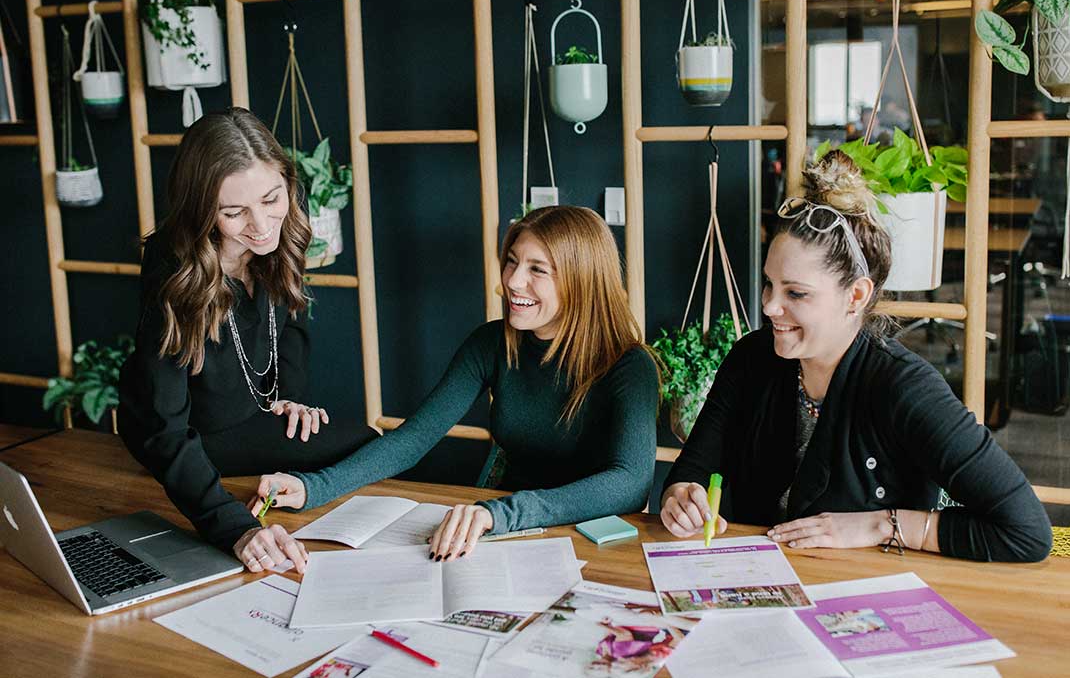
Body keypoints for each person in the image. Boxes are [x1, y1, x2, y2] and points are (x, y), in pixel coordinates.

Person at [660, 151, 1052, 563]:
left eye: (796, 293)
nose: (770, 306)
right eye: (769, 285)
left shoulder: (905, 387)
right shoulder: (751, 359)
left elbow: (1026, 530)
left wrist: (883, 524)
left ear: (857, 296)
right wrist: (683, 497)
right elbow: (693, 469)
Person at [255, 206, 660, 560]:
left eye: (537, 270)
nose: (512, 282)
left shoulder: (629, 367)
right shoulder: (492, 342)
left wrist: (502, 513)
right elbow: (414, 439)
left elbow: (629, 482)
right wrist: (313, 487)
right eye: (512, 262)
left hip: (585, 535)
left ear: (584, 281)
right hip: (495, 523)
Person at [118, 108, 377, 574]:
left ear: (285, 181)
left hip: (254, 412)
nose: (261, 225)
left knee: (367, 445)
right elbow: (164, 430)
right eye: (234, 212)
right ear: (202, 210)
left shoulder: (280, 235)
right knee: (364, 444)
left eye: (271, 199)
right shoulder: (173, 271)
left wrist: (293, 400)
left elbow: (291, 329)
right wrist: (237, 530)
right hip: (190, 432)